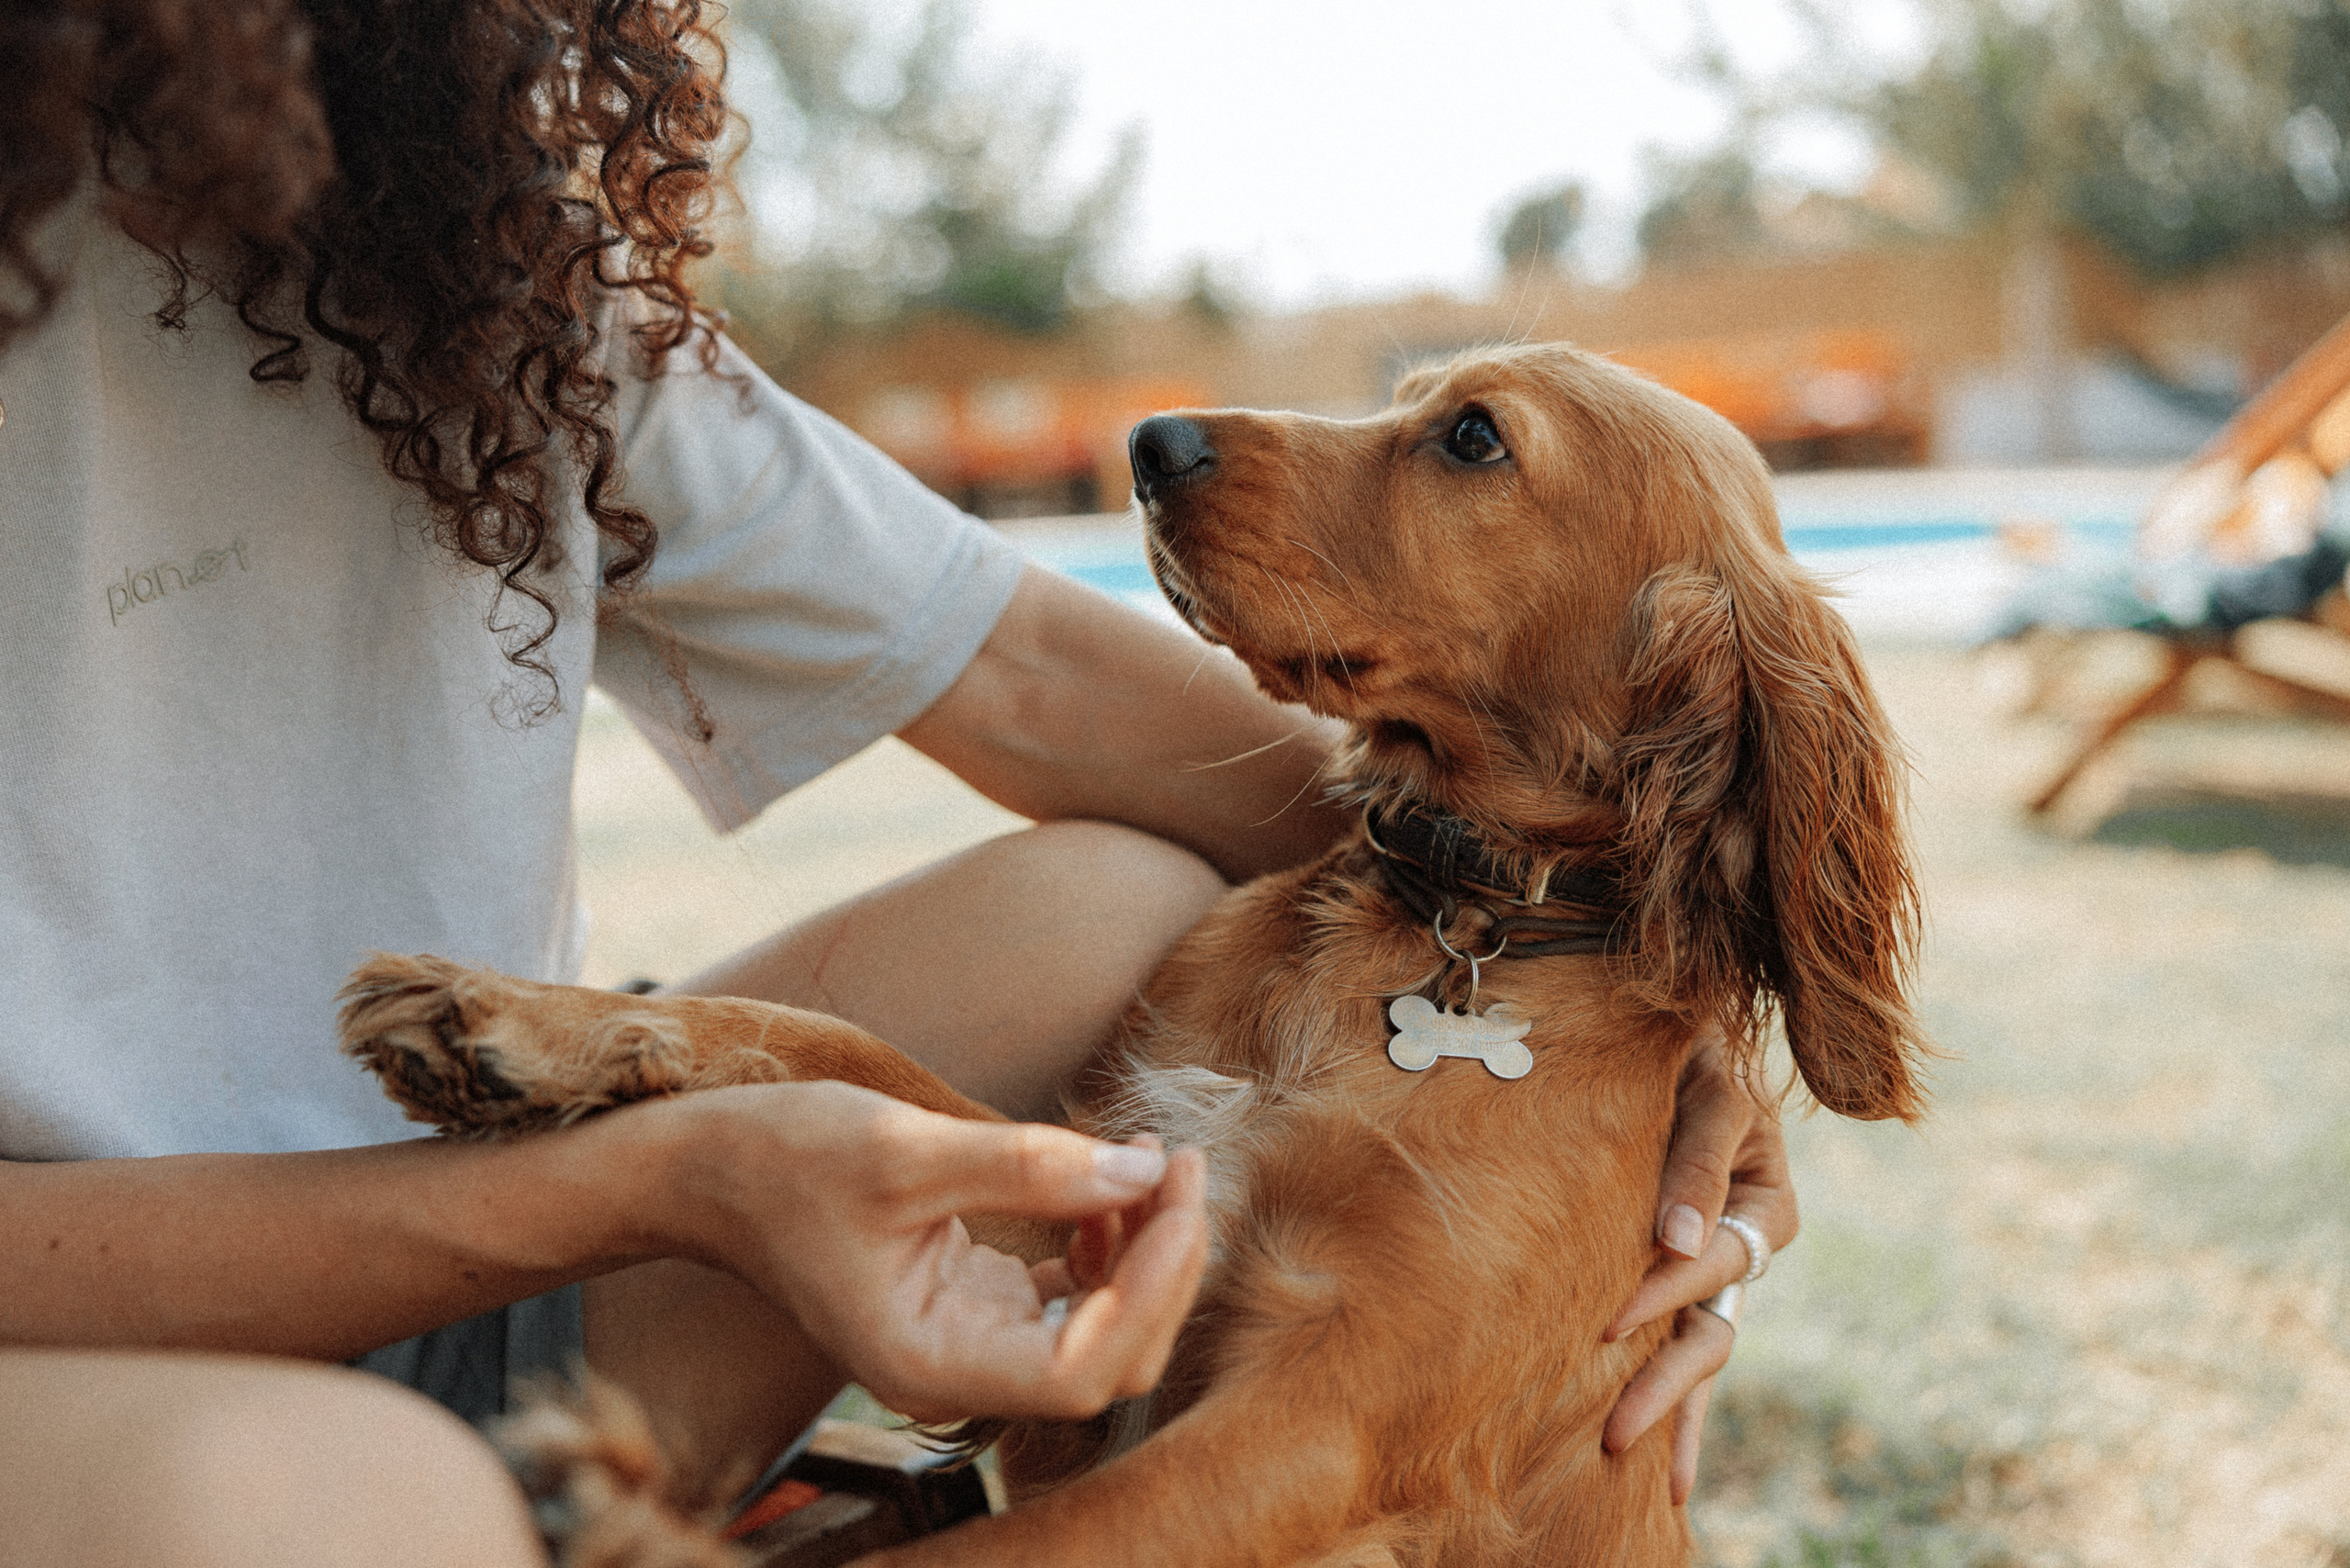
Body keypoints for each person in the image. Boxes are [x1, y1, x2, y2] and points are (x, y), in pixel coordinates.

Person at [0, 2, 1796, 1561]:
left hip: (496, 1286)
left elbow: (1026, 670)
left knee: (1110, 901)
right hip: (73, 1349)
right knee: (323, 1506)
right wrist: (652, 1182)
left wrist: (1635, 1027)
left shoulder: (456, 259)